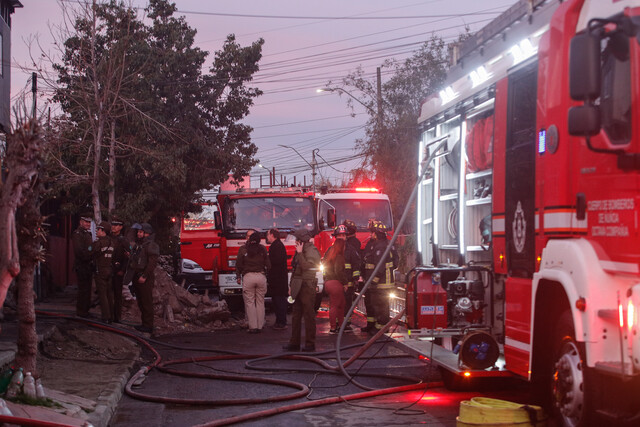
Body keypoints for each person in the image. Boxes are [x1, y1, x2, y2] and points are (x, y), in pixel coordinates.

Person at [283, 228, 321, 352]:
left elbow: (305, 267)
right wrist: (291, 286)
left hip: (307, 285)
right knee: (296, 314)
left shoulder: (312, 250)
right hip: (298, 285)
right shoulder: (300, 250)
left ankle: (310, 344)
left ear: (302, 240)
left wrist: (299, 253)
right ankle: (294, 343)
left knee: (309, 315)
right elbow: (295, 269)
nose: (295, 242)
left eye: (297, 239)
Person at [362, 221, 398, 333]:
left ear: (376, 234)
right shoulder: (387, 244)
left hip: (381, 283)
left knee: (380, 305)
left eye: (372, 233)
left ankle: (380, 329)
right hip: (385, 282)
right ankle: (376, 327)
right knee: (379, 304)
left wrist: (373, 281)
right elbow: (395, 263)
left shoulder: (380, 247)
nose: (371, 235)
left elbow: (380, 266)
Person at [236, 230, 271, 333]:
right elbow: (268, 264)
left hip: (248, 277)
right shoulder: (262, 249)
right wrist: (266, 273)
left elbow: (239, 264)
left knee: (250, 303)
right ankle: (260, 325)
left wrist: (239, 275)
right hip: (261, 276)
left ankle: (253, 326)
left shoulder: (243, 249)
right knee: (260, 302)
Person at [129, 223, 159, 333]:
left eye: (141, 232)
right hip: (137, 276)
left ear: (147, 234)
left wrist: (144, 275)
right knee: (141, 302)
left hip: (145, 277)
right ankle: (144, 324)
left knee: (146, 302)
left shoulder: (151, 245)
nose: (138, 234)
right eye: (138, 232)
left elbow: (152, 263)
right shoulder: (140, 245)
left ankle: (148, 325)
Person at [335, 223, 361, 332]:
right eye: (339, 236)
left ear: (346, 237)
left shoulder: (351, 250)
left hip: (349, 283)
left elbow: (356, 264)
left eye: (343, 236)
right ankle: (337, 322)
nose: (342, 238)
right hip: (336, 282)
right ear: (336, 237)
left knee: (347, 304)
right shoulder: (332, 250)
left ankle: (346, 323)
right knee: (337, 304)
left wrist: (355, 279)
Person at [322, 229, 348, 334]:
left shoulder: (329, 253)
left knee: (340, 304)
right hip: (336, 283)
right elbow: (339, 271)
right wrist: (345, 282)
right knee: (336, 305)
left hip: (328, 282)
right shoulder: (339, 256)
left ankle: (340, 326)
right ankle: (333, 328)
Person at [92, 222, 115, 323]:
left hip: (100, 270)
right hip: (109, 270)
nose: (97, 231)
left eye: (99, 230)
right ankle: (112, 316)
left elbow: (90, 252)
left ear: (103, 231)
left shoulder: (99, 243)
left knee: (103, 294)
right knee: (109, 294)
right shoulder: (111, 242)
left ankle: (105, 317)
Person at [72, 214, 94, 318]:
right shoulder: (77, 234)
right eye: (86, 222)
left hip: (88, 266)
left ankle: (85, 310)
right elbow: (79, 251)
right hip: (82, 265)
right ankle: (81, 311)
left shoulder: (87, 234)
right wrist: (89, 256)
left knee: (87, 289)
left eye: (89, 222)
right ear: (81, 222)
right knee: (83, 290)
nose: (88, 224)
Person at [266, 228, 288, 330]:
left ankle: (281, 322)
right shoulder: (278, 245)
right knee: (278, 300)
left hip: (278, 279)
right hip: (279, 279)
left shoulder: (276, 246)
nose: (267, 237)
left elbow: (276, 262)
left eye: (268, 235)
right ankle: (280, 321)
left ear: (272, 235)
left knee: (279, 301)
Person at [110, 216, 129, 323]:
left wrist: (123, 270)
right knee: (108, 293)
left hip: (118, 270)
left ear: (121, 227)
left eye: (116, 225)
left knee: (117, 295)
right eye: (113, 225)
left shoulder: (123, 240)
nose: (113, 227)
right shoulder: (109, 238)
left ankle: (117, 317)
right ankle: (109, 315)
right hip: (109, 269)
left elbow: (127, 257)